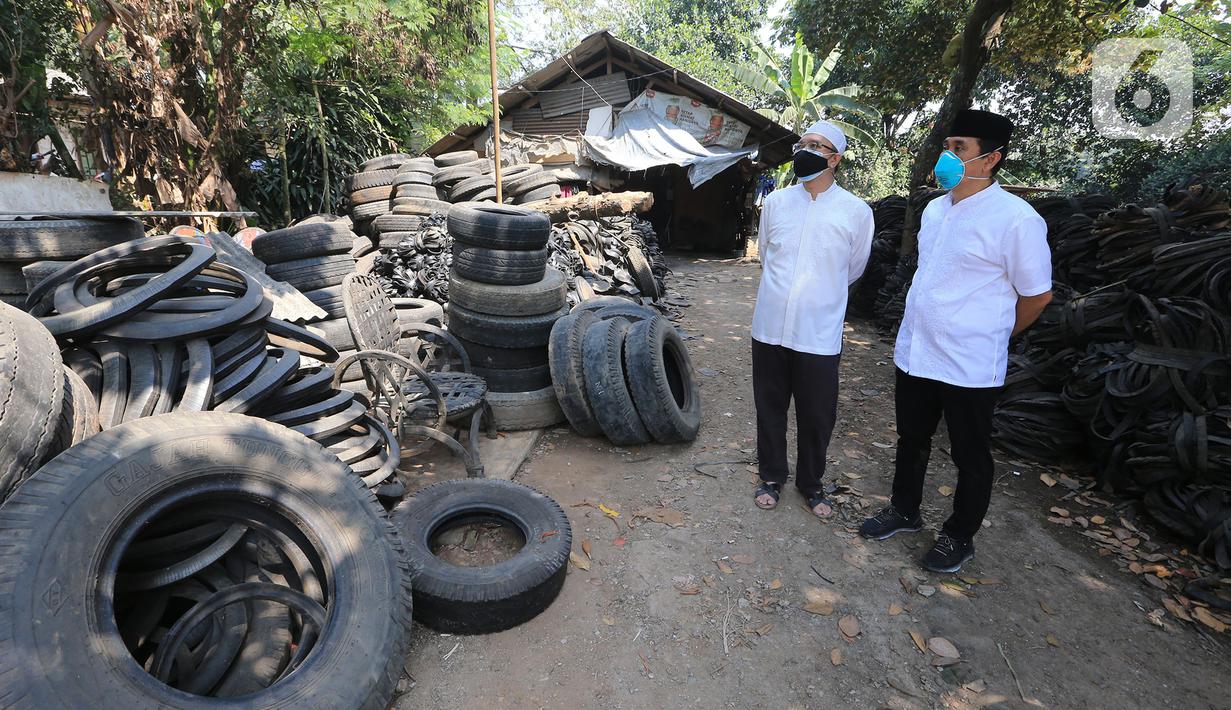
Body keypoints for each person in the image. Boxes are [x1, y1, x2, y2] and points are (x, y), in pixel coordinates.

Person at [858, 109, 1053, 573]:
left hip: (970, 362)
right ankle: (903, 510)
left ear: (991, 159)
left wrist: (994, 334)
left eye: (959, 148)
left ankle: (959, 536)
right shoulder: (934, 209)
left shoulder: (1016, 220)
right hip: (917, 351)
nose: (947, 156)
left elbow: (1038, 295)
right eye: (947, 146)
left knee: (970, 454)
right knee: (912, 438)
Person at [750, 119, 874, 518]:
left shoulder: (855, 212)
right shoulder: (776, 203)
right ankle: (771, 476)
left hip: (818, 334)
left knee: (817, 414)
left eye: (817, 145)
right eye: (802, 143)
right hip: (769, 327)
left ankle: (811, 483)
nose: (805, 150)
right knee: (770, 407)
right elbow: (767, 256)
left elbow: (854, 269)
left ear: (834, 158)